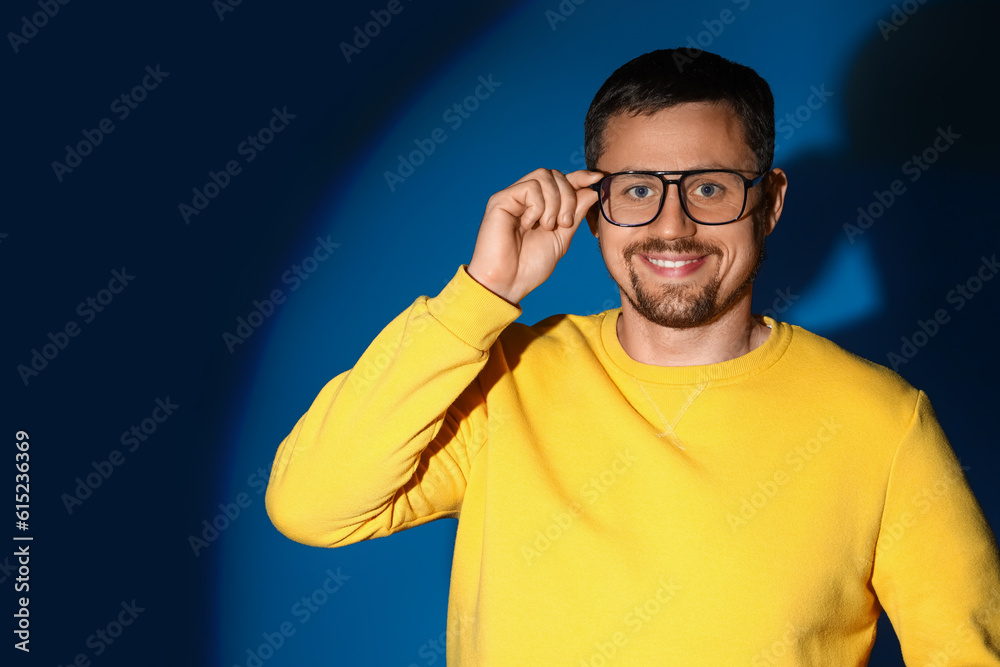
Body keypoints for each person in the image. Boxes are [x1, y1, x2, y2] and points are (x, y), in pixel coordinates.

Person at [265, 48, 1000, 664]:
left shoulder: (884, 420)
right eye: (638, 189)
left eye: (710, 187)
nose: (671, 225)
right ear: (592, 207)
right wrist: (481, 292)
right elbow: (312, 506)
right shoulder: (505, 379)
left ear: (769, 202)